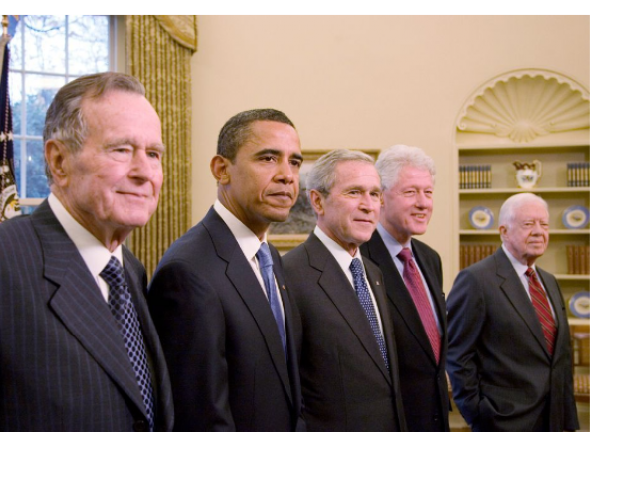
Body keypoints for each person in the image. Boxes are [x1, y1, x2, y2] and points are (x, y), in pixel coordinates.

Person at [0, 72, 173, 432]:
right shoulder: (7, 261)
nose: (144, 172)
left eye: (153, 154)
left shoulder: (132, 273)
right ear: (59, 161)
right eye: (121, 150)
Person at [148, 109, 305, 432]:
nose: (287, 175)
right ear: (222, 170)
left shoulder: (270, 256)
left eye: (295, 162)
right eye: (268, 159)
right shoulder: (188, 271)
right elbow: (200, 417)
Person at [283, 149, 406, 432]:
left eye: (375, 194)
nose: (368, 205)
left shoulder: (373, 272)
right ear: (317, 201)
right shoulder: (290, 274)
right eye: (354, 193)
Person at [447, 193, 580, 432]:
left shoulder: (549, 282)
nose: (539, 231)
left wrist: (567, 419)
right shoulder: (476, 280)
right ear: (504, 231)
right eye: (528, 224)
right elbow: (458, 355)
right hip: (503, 420)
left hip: (553, 419)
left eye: (544, 224)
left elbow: (561, 359)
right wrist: (479, 415)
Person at [361, 145, 449, 432]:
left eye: (428, 192)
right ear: (381, 198)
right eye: (410, 192)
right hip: (389, 421)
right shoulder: (359, 259)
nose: (423, 203)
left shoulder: (430, 259)